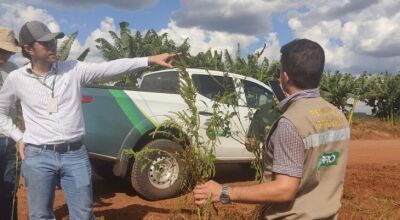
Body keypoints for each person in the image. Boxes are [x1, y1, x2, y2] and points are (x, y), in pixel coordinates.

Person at [0, 20, 179, 220]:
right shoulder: (16, 78)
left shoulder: (73, 69)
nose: (53, 45)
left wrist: (149, 59)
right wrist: (18, 136)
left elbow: (109, 68)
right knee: (40, 215)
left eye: (54, 41)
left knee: (83, 215)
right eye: (46, 43)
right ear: (28, 49)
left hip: (75, 155)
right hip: (38, 156)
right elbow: (1, 112)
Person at [193, 39, 350, 219]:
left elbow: (284, 190)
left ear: (285, 76)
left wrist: (223, 191)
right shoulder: (338, 116)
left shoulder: (291, 122)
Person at [0, 27, 21, 220]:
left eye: (7, 51)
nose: (4, 55)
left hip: (10, 139)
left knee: (9, 189)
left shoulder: (14, 70)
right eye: (1, 50)